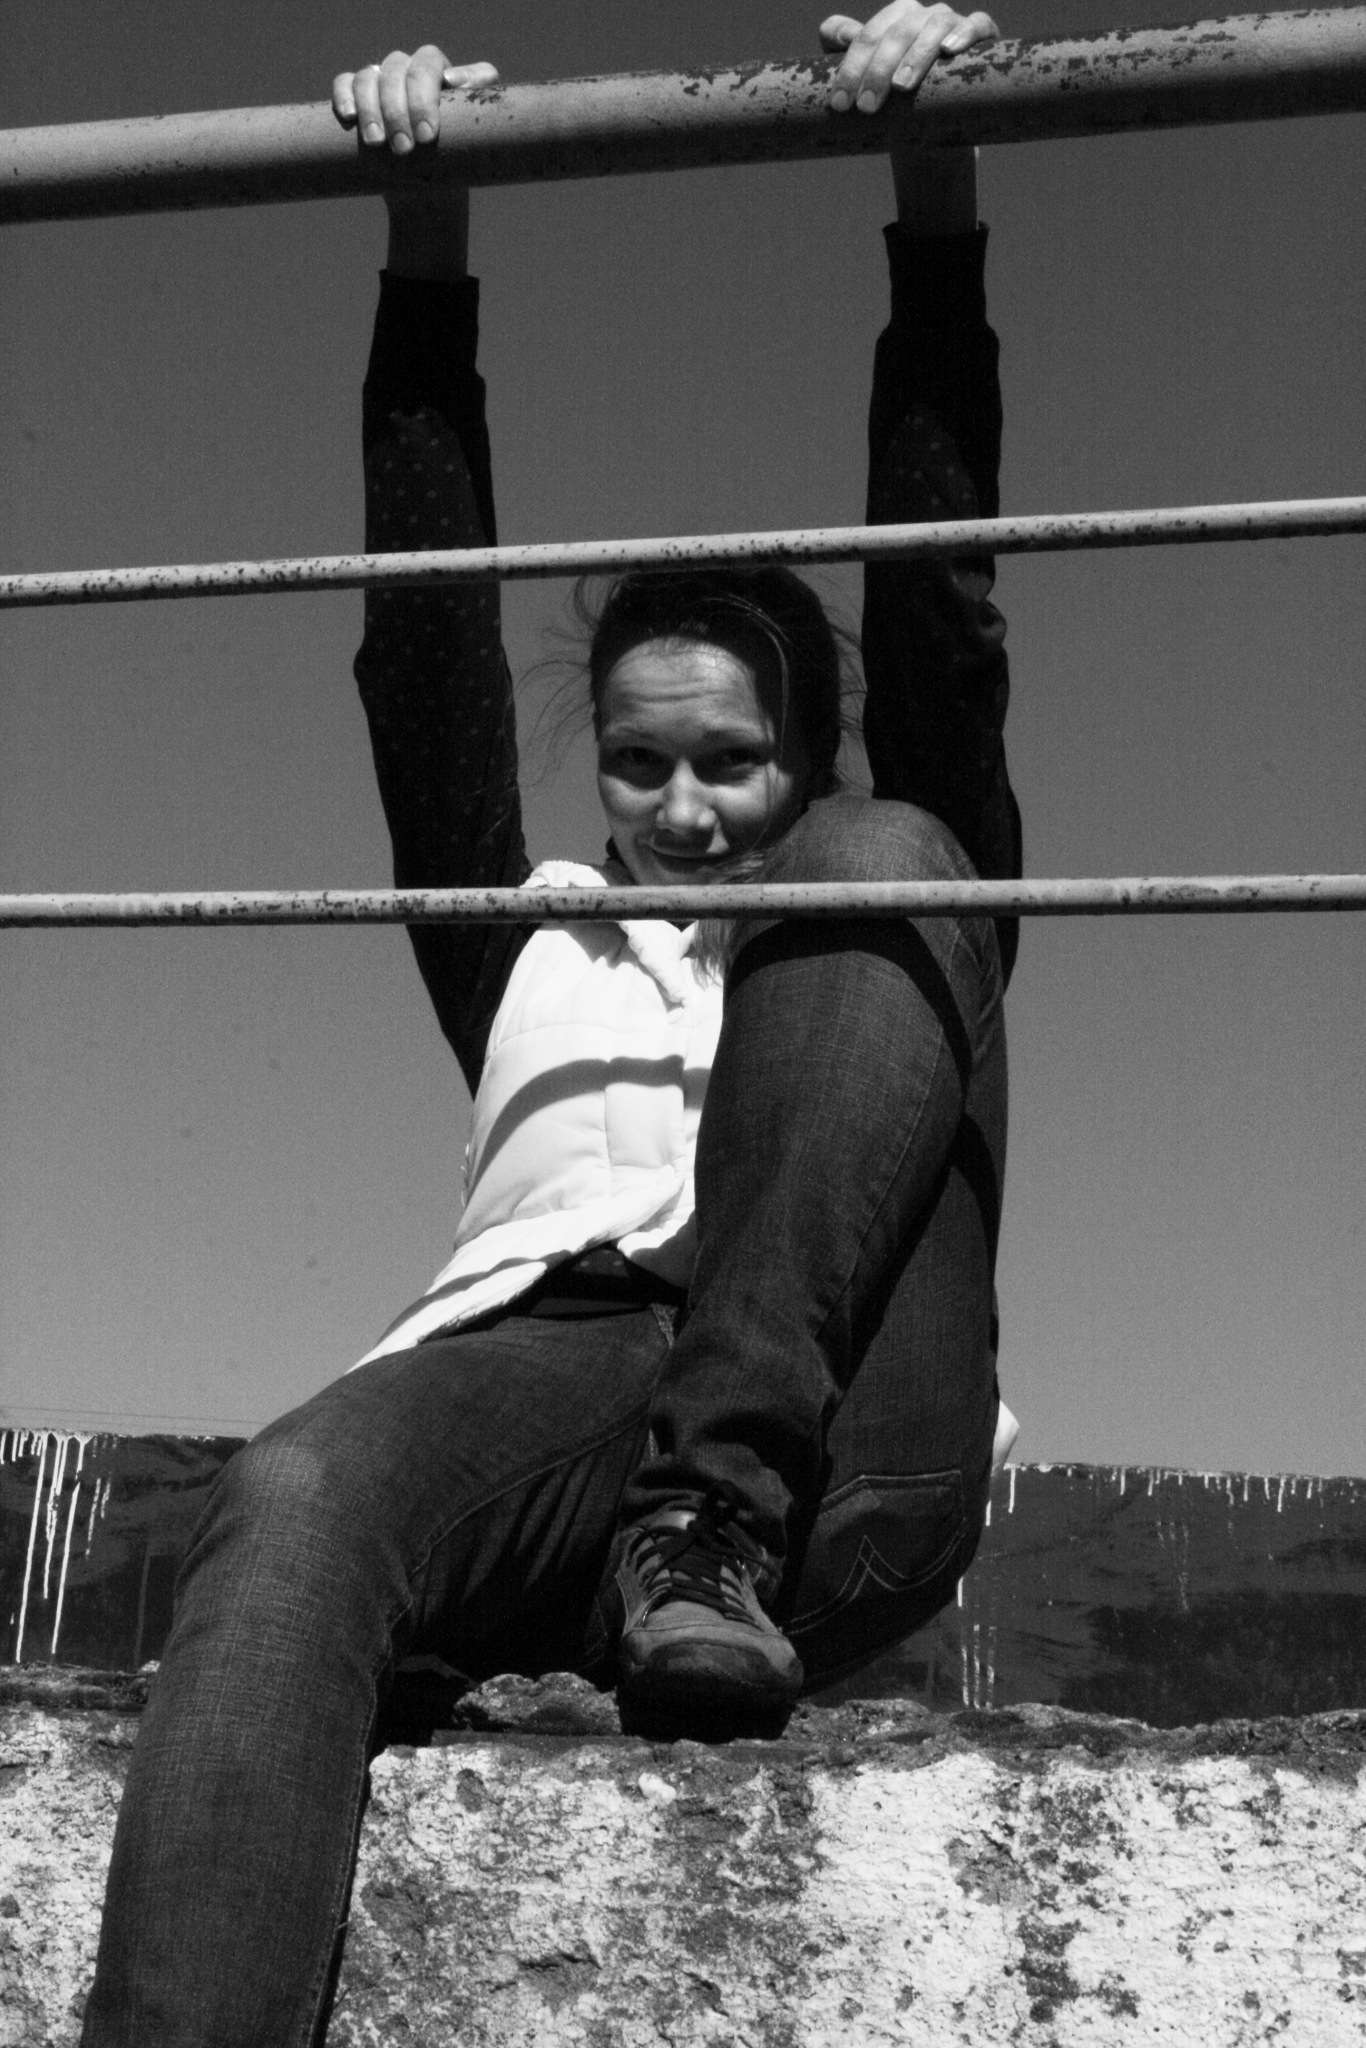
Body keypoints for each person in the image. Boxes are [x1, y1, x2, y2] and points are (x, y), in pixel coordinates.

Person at [81, 7, 1019, 2040]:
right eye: (638, 762)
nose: (684, 809)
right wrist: (426, 230)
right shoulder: (523, 944)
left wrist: (932, 187)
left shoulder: (873, 891)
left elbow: (938, 611)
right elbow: (419, 637)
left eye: (733, 762)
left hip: (837, 1447)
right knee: (293, 1497)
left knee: (890, 861)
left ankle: (710, 1517)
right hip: (551, 1399)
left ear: (800, 753)